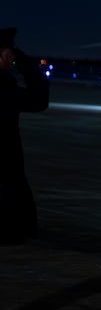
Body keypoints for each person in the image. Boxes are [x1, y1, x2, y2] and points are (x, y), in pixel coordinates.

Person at [0, 27, 49, 245]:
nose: (12, 57)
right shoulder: (3, 87)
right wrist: (26, 66)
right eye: (9, 52)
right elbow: (38, 100)